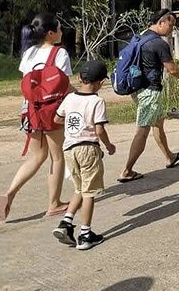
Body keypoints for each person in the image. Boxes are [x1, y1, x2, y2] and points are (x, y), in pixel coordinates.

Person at [0, 13, 72, 221]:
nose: (62, 32)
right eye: (59, 28)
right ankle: (54, 204)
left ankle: (9, 192)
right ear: (50, 33)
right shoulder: (59, 54)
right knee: (57, 157)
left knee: (37, 156)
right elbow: (63, 85)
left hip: (30, 109)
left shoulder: (28, 52)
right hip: (51, 110)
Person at [118, 9, 179, 183]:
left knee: (158, 122)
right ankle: (127, 170)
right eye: (170, 24)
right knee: (142, 131)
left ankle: (169, 156)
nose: (171, 29)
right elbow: (172, 69)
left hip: (139, 89)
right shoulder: (159, 44)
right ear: (161, 22)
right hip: (149, 92)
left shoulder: (141, 37)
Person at [52, 60, 116, 250]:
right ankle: (86, 234)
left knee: (79, 188)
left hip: (69, 149)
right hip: (88, 149)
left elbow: (57, 118)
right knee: (90, 193)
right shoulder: (97, 101)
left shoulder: (70, 98)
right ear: (101, 82)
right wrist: (109, 146)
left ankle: (66, 222)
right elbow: (99, 130)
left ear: (80, 78)